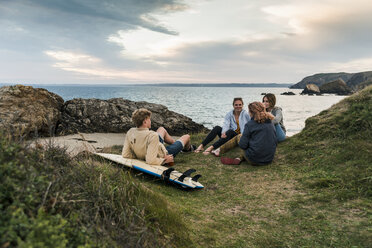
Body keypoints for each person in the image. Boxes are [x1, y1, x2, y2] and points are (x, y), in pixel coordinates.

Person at [122, 108, 193, 166]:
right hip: (162, 153)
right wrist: (164, 160)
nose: (150, 121)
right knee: (186, 137)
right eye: (149, 119)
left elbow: (125, 154)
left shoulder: (130, 131)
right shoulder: (153, 135)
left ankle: (176, 145)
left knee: (161, 129)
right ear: (145, 122)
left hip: (152, 146)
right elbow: (150, 160)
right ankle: (187, 149)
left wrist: (139, 155)